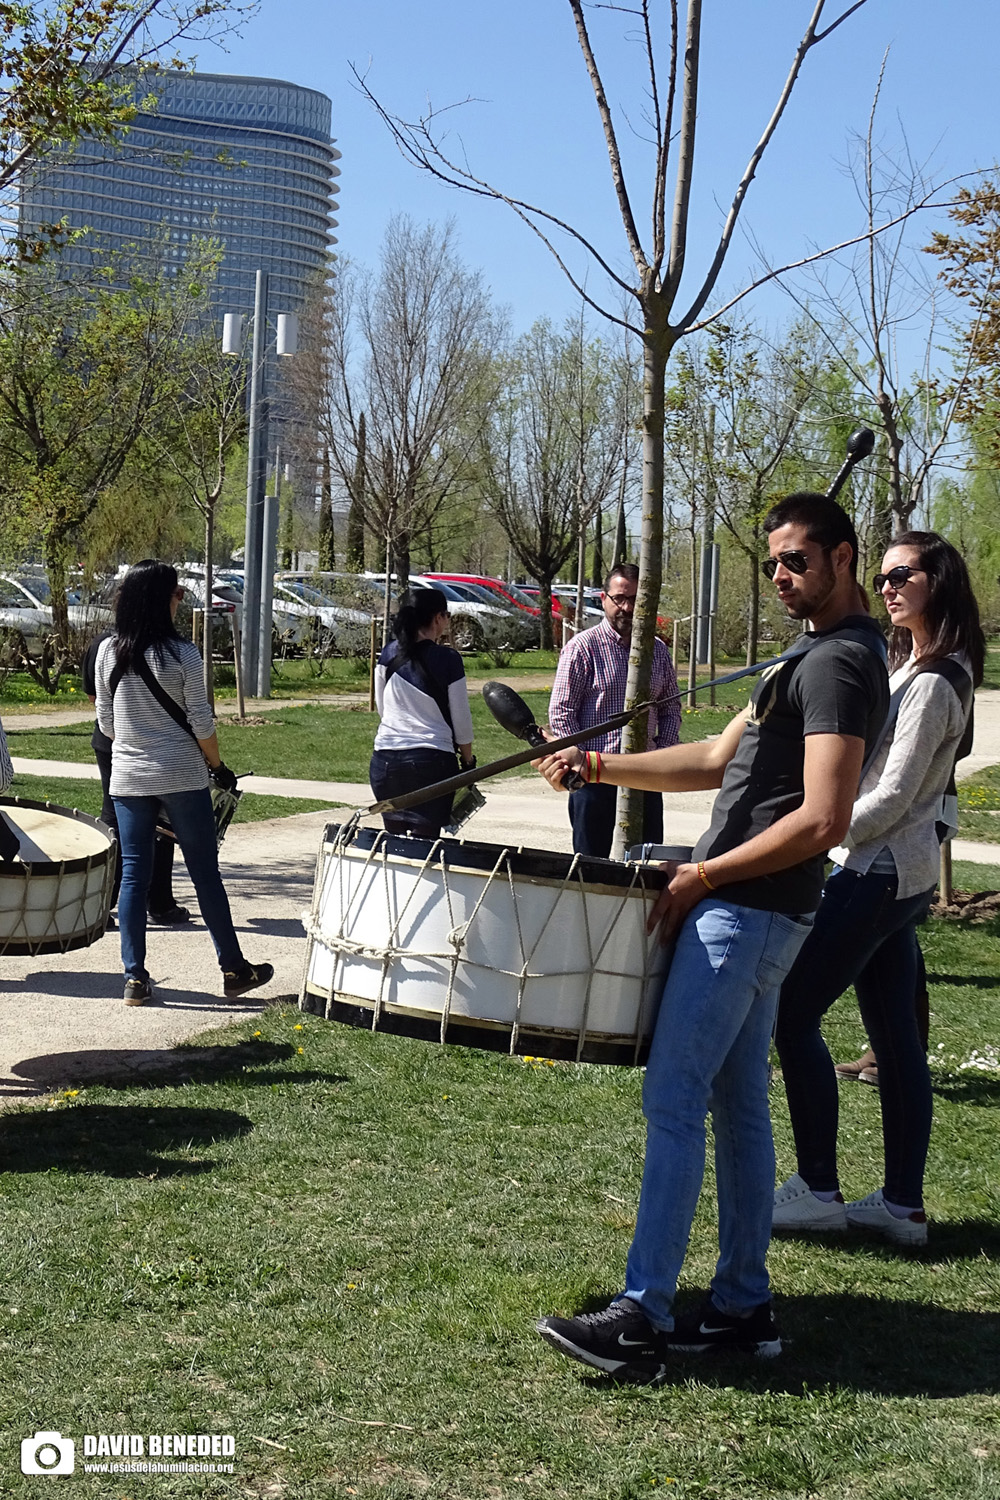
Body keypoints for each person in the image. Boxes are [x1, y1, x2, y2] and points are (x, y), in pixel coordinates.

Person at [532, 493, 888, 1378]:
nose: (780, 575)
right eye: (773, 562)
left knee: (674, 1100)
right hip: (751, 910)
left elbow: (824, 818)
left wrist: (704, 876)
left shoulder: (842, 663)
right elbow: (713, 759)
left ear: (844, 558)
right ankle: (740, 1306)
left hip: (746, 910)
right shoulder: (806, 656)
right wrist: (597, 762)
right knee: (735, 1107)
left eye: (797, 561)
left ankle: (643, 1314)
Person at [772, 531, 983, 1247]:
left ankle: (818, 1188)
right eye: (882, 574)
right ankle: (901, 1207)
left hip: (878, 872)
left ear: (938, 581)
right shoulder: (930, 667)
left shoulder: (931, 683)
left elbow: (891, 796)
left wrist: (818, 833)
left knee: (791, 1015)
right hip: (903, 880)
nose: (887, 585)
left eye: (903, 574)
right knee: (897, 1043)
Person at [94, 560, 273, 1007]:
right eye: (177, 594)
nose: (181, 601)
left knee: (134, 874)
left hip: (129, 776)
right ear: (161, 599)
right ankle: (233, 968)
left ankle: (134, 977)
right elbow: (202, 723)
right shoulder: (184, 654)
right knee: (204, 874)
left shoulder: (107, 653)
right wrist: (218, 765)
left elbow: (107, 724)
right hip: (181, 774)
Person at [548, 564, 680, 857]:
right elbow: (561, 712)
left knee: (645, 865)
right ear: (604, 598)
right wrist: (579, 760)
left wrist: (663, 754)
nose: (627, 607)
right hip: (595, 779)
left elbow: (671, 707)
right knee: (591, 866)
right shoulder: (582, 648)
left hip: (645, 776)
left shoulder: (657, 651)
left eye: (635, 599)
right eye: (619, 598)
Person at [82, 630, 188, 925]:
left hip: (110, 740)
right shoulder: (168, 647)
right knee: (160, 819)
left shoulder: (101, 645)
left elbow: (94, 695)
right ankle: (157, 902)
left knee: (115, 818)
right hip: (149, 743)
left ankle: (106, 902)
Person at [370, 587, 475, 838]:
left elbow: (383, 709)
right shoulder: (449, 658)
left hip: (385, 762)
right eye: (447, 615)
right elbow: (461, 719)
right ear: (438, 618)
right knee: (425, 849)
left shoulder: (387, 653)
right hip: (431, 763)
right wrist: (468, 762)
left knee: (394, 847)